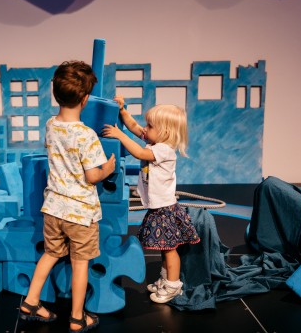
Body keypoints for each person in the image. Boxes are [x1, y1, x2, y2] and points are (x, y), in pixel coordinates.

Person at [19, 61, 116, 332]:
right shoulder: (86, 135)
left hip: (53, 208)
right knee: (80, 263)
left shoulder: (51, 125)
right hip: (80, 213)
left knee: (50, 254)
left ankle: (30, 301)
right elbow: (92, 176)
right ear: (85, 99)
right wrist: (107, 168)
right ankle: (76, 317)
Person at [102, 97, 200, 303]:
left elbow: (138, 152)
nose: (145, 129)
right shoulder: (156, 142)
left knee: (170, 250)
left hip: (165, 210)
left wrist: (119, 134)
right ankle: (166, 280)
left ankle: (173, 286)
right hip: (158, 208)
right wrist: (123, 112)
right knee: (165, 248)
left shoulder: (164, 150)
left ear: (164, 132)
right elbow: (136, 128)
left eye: (150, 126)